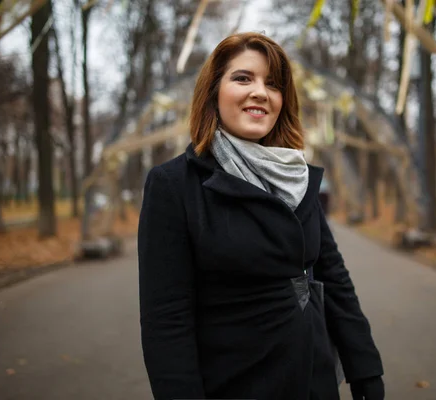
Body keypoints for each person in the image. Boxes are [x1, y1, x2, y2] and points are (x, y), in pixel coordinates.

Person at [138, 32, 384, 400]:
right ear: (213, 93)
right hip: (237, 384)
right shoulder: (174, 185)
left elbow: (333, 275)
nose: (260, 92)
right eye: (242, 78)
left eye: (272, 84)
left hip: (314, 379)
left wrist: (364, 366)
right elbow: (166, 320)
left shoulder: (296, 177)